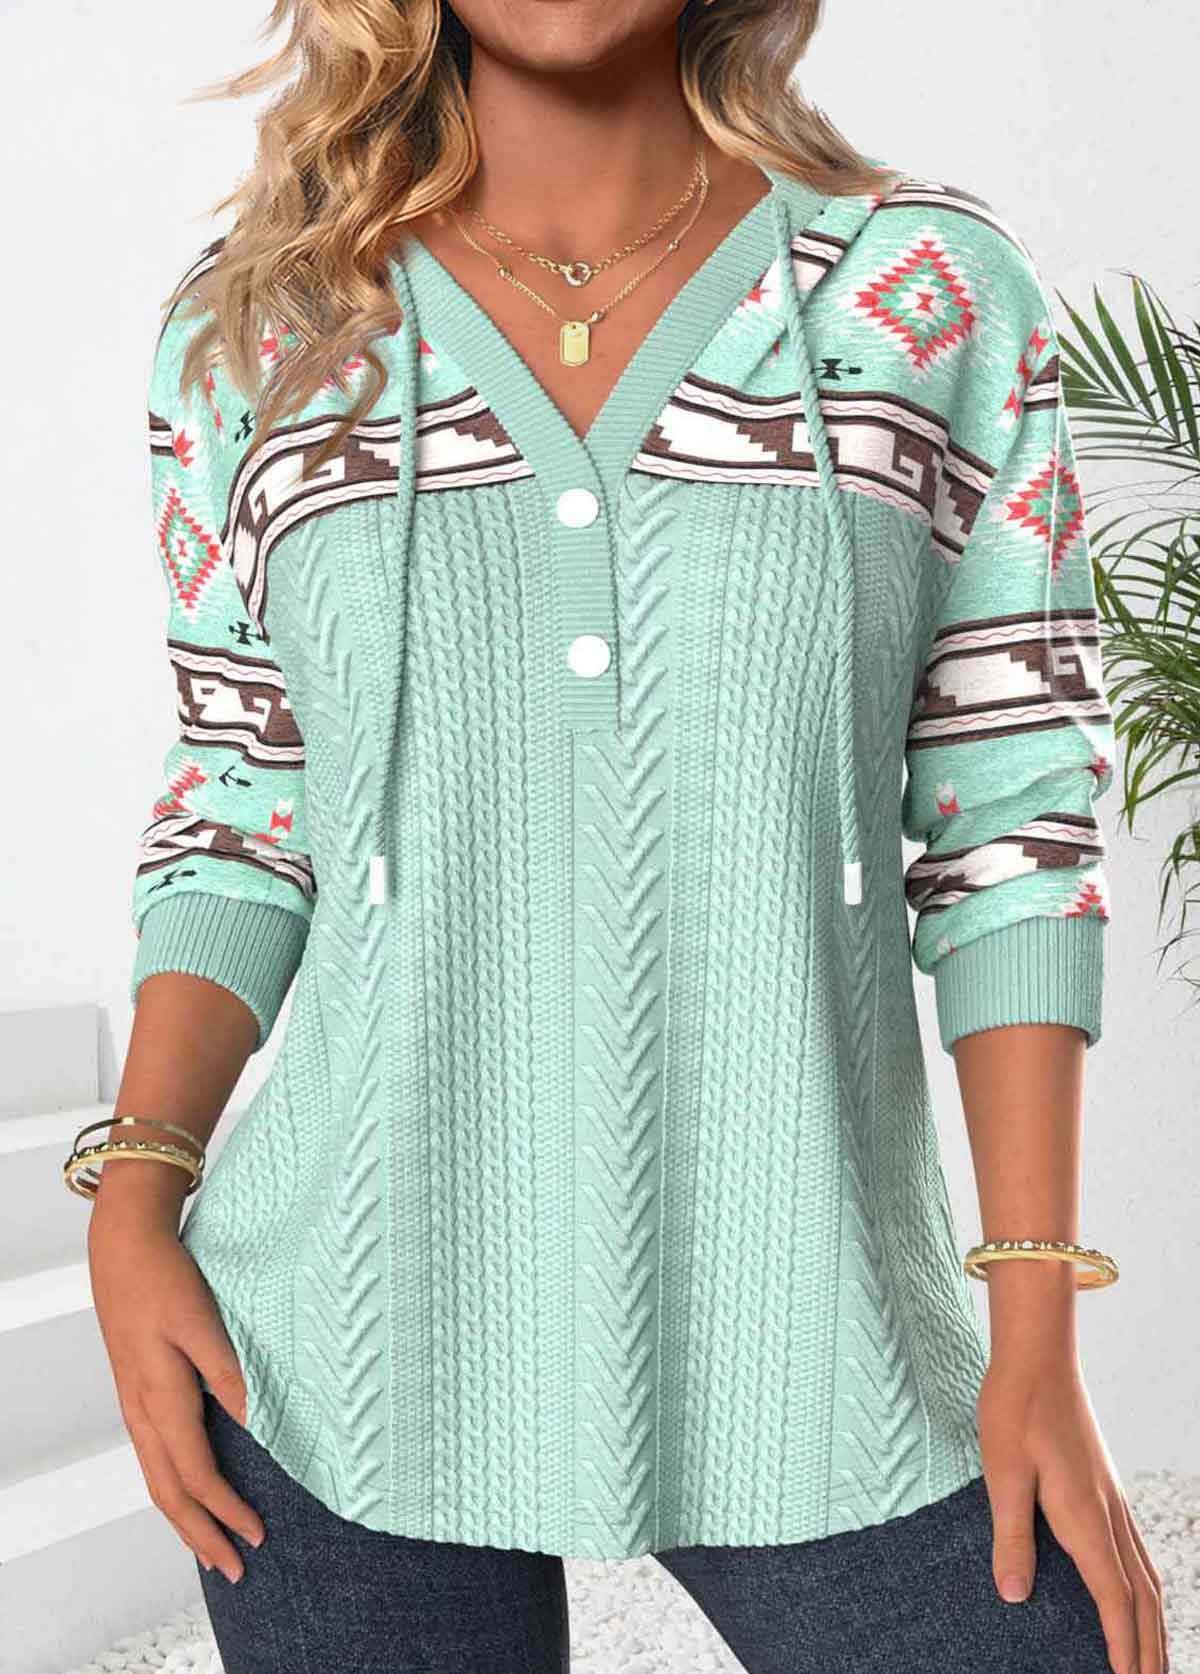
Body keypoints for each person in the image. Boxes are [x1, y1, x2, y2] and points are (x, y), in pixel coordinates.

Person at [80, 1, 1171, 1670]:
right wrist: (133, 1195)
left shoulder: (923, 294)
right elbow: (244, 798)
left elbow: (1012, 814)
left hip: (817, 1323)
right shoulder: (259, 332)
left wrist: (1034, 1316)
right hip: (335, 1345)